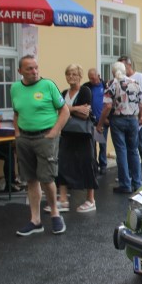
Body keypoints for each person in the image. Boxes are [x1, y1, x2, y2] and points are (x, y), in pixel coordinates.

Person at [12, 55, 70, 236]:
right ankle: (35, 220)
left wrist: (54, 133)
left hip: (45, 137)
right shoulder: (15, 88)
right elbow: (16, 112)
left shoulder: (48, 85)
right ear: (20, 71)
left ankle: (55, 213)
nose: (34, 71)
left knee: (47, 178)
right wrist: (17, 133)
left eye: (36, 67)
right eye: (29, 68)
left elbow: (64, 111)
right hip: (25, 138)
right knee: (30, 179)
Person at [52, 64, 98, 213]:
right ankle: (63, 199)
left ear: (80, 76)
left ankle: (91, 200)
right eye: (68, 74)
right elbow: (57, 110)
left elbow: (85, 114)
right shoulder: (64, 92)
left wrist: (67, 110)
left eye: (74, 74)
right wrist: (75, 109)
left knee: (87, 164)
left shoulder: (85, 91)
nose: (71, 77)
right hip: (67, 134)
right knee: (63, 164)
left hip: (83, 135)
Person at [97, 61, 142, 194]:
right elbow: (141, 104)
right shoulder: (135, 83)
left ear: (113, 71)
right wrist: (140, 117)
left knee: (121, 151)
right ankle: (137, 183)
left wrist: (100, 123)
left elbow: (107, 106)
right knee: (133, 151)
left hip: (118, 119)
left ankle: (125, 184)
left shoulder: (111, 84)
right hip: (133, 120)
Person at [118, 56, 142, 182]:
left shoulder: (140, 77)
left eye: (122, 67)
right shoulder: (120, 79)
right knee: (129, 147)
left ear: (128, 65)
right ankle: (131, 174)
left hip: (137, 116)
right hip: (126, 118)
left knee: (140, 145)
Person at [83, 67, 107, 175]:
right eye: (90, 79)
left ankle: (103, 164)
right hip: (91, 120)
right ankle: (94, 165)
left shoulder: (106, 85)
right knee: (92, 144)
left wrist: (108, 118)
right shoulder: (87, 87)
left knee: (102, 143)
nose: (92, 81)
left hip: (103, 120)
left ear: (98, 76)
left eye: (93, 78)